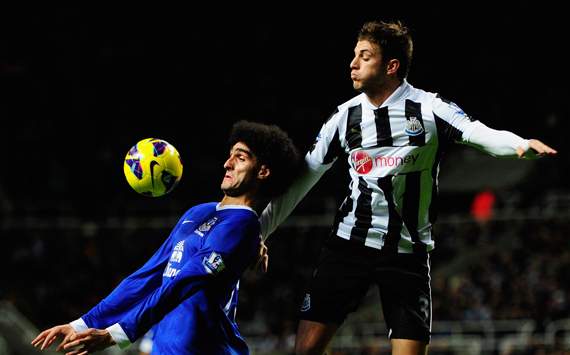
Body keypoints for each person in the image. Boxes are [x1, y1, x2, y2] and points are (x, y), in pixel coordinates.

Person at [259, 20, 557, 355]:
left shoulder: (429, 108)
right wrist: (257, 234)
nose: (352, 63)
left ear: (391, 66)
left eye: (364, 56)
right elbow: (301, 181)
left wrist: (518, 143)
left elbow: (477, 133)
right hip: (348, 247)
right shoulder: (345, 118)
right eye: (354, 55)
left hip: (407, 253)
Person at [31, 120, 300, 354]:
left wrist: (118, 333)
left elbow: (187, 281)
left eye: (240, 157)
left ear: (263, 171)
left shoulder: (244, 226)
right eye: (230, 155)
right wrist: (82, 324)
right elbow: (147, 276)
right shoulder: (198, 212)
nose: (227, 163)